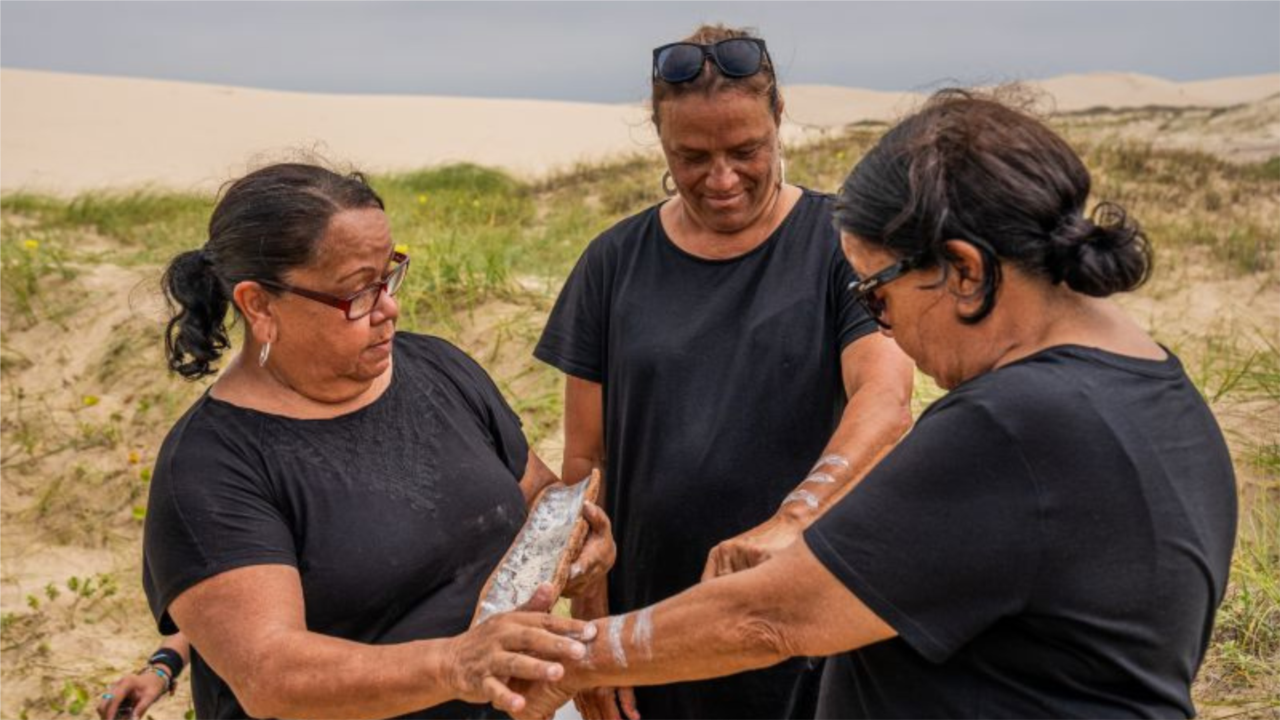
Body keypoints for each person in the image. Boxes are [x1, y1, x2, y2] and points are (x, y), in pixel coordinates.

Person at [516, 90, 1239, 719]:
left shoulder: (1013, 424)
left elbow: (769, 617)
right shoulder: (1153, 383)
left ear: (963, 269)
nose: (880, 322)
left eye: (876, 292)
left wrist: (569, 657)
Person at [126, 163, 613, 720]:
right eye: (358, 292)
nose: (389, 307)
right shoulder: (208, 468)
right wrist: (453, 666)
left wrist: (579, 545)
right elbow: (271, 673)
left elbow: (538, 497)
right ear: (260, 305)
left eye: (390, 275)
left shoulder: (438, 367)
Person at [534, 24, 914, 720]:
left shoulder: (840, 245)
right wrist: (591, 619)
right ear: (660, 143)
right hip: (655, 621)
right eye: (692, 156)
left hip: (804, 607)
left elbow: (885, 400)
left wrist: (792, 520)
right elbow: (586, 460)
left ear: (778, 122)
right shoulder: (613, 261)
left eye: (746, 151)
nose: (722, 178)